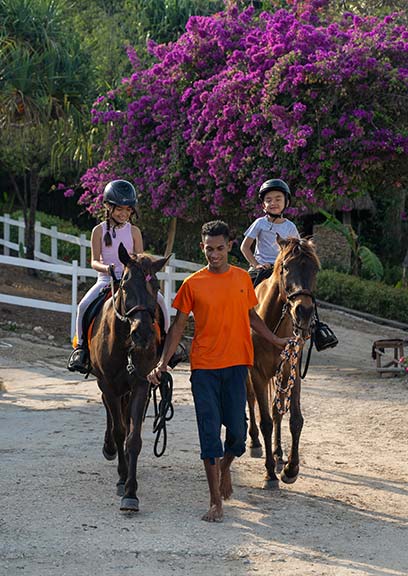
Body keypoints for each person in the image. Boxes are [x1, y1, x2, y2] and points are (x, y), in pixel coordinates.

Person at [147, 220, 289, 523]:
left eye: (220, 248)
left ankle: (226, 467)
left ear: (229, 247)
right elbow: (177, 328)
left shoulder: (241, 279)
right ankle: (215, 501)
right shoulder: (192, 285)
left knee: (238, 437)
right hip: (205, 370)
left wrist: (276, 339)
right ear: (203, 248)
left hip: (237, 367)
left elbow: (252, 317)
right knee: (209, 435)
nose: (214, 254)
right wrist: (161, 363)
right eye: (209, 249)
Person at [67, 179, 171, 374]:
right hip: (106, 279)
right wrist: (107, 269)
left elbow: (141, 258)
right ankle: (80, 348)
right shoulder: (98, 231)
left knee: (162, 302)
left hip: (132, 280)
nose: (124, 214)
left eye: (128, 210)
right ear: (108, 207)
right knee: (83, 306)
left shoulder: (134, 231)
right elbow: (93, 261)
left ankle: (167, 343)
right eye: (119, 209)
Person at [240, 178, 300, 287]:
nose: (273, 203)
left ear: (286, 202)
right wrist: (256, 265)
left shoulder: (290, 227)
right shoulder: (260, 223)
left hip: (282, 269)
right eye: (268, 200)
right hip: (261, 268)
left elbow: (296, 251)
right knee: (243, 291)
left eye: (278, 199)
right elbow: (245, 247)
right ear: (263, 205)